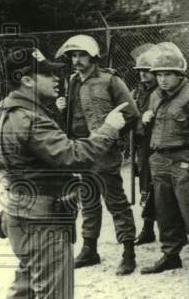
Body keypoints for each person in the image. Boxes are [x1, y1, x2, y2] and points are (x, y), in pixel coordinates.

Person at [0, 46, 129, 299]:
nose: (57, 78)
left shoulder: (6, 111)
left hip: (20, 209)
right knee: (54, 286)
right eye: (48, 74)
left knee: (26, 279)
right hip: (43, 215)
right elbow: (75, 156)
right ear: (27, 79)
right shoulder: (31, 118)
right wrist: (108, 128)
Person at [54, 34, 139, 275]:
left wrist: (114, 138)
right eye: (73, 56)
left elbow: (131, 113)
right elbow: (73, 119)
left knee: (116, 202)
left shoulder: (110, 81)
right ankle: (89, 250)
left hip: (104, 152)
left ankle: (128, 252)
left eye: (81, 55)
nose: (77, 60)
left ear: (93, 57)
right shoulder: (72, 81)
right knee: (89, 202)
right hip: (80, 150)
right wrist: (63, 109)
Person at [139, 43, 189, 280]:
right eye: (159, 74)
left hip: (185, 158)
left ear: (179, 75)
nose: (162, 79)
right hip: (160, 158)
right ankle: (170, 254)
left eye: (167, 74)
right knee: (165, 211)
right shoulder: (154, 96)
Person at [130, 43, 159, 247]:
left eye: (146, 71)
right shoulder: (137, 92)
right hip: (142, 145)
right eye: (139, 71)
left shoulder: (161, 92)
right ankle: (148, 228)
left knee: (159, 187)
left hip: (157, 144)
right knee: (146, 187)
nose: (142, 75)